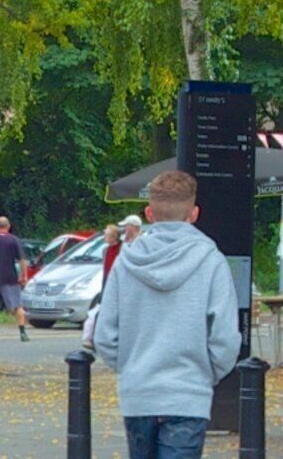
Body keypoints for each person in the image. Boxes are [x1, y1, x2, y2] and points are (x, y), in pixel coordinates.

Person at [90, 170, 242, 459]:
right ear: (194, 213)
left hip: (139, 392)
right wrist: (205, 374)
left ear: (149, 213)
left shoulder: (126, 263)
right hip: (188, 391)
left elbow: (105, 335)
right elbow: (225, 337)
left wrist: (129, 368)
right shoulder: (211, 262)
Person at [0, 216, 29, 326]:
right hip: (10, 278)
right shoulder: (13, 240)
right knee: (17, 305)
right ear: (8, 226)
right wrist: (24, 276)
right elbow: (22, 260)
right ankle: (22, 332)